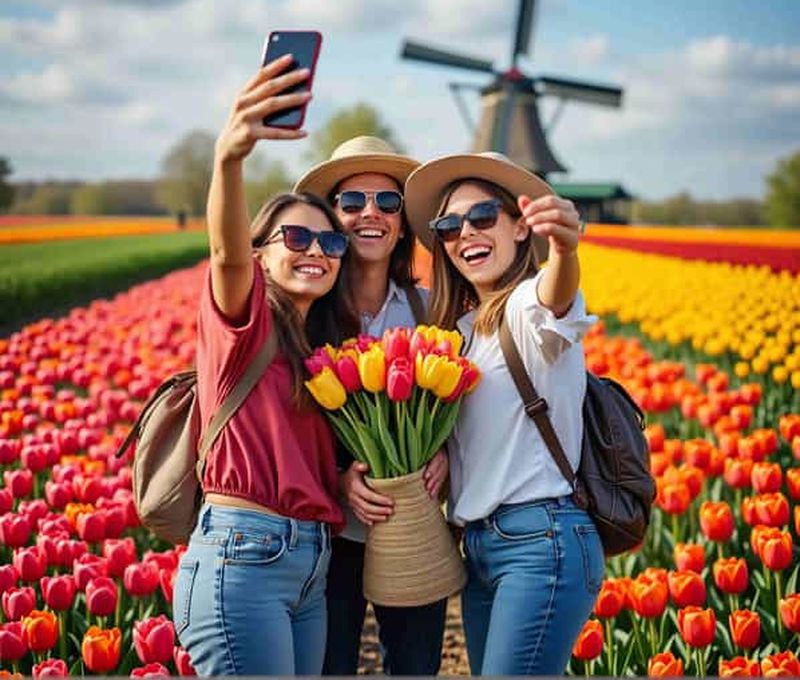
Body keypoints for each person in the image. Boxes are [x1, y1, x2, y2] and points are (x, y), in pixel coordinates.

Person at [172, 55, 360, 676]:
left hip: (310, 567)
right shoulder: (243, 325)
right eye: (297, 239)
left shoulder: (325, 352)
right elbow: (225, 252)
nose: (317, 252)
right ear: (262, 253)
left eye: (331, 242)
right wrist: (230, 158)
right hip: (242, 559)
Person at [403, 152, 605, 676]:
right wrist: (447, 457)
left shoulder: (524, 306)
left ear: (520, 228)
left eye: (483, 216)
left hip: (541, 542)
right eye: (449, 225)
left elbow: (554, 294)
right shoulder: (462, 332)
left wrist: (563, 248)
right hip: (482, 550)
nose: (465, 231)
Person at [293, 136, 450, 676]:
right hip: (329, 534)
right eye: (352, 202)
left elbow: (462, 403)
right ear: (332, 218)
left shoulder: (430, 310)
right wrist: (338, 478)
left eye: (387, 203)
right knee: (329, 667)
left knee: (414, 667)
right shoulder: (304, 317)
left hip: (412, 526)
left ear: (404, 223)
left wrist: (445, 453)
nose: (371, 214)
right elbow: (285, 423)